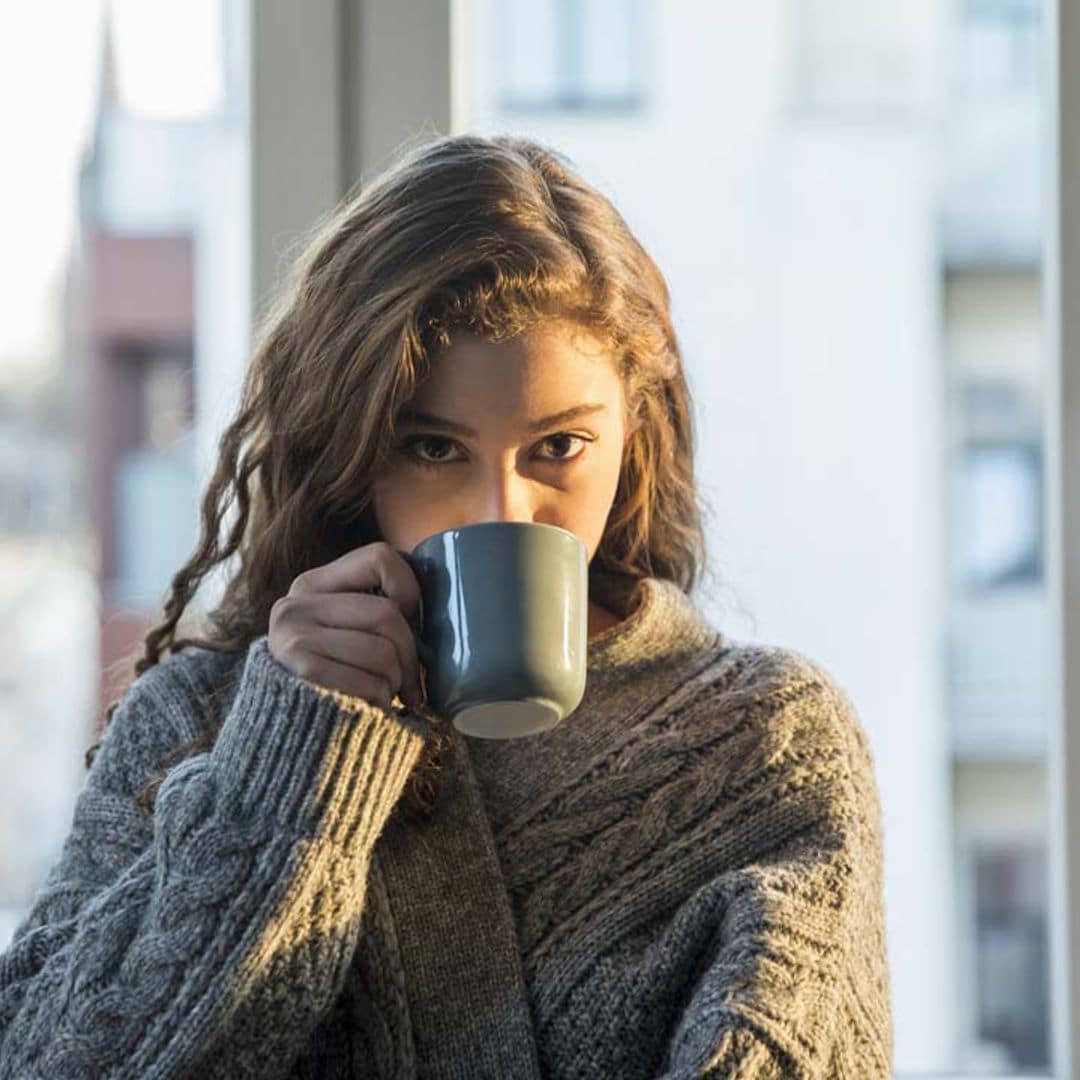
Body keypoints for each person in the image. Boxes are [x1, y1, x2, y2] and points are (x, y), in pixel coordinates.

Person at [0, 133, 892, 1078]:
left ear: (634, 426)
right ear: (350, 448)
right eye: (434, 449)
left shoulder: (766, 743)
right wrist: (285, 773)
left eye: (558, 448)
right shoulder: (197, 724)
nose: (498, 511)